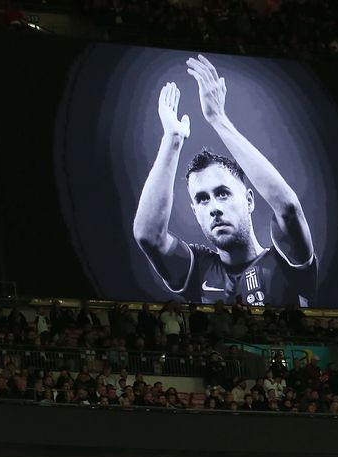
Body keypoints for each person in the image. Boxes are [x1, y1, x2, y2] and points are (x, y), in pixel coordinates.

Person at [133, 55, 317, 307]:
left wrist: (218, 119)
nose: (214, 207)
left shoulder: (286, 260)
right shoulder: (197, 269)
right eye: (202, 199)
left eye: (223, 193)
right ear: (195, 212)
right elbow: (147, 236)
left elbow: (287, 208)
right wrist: (173, 139)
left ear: (249, 199)